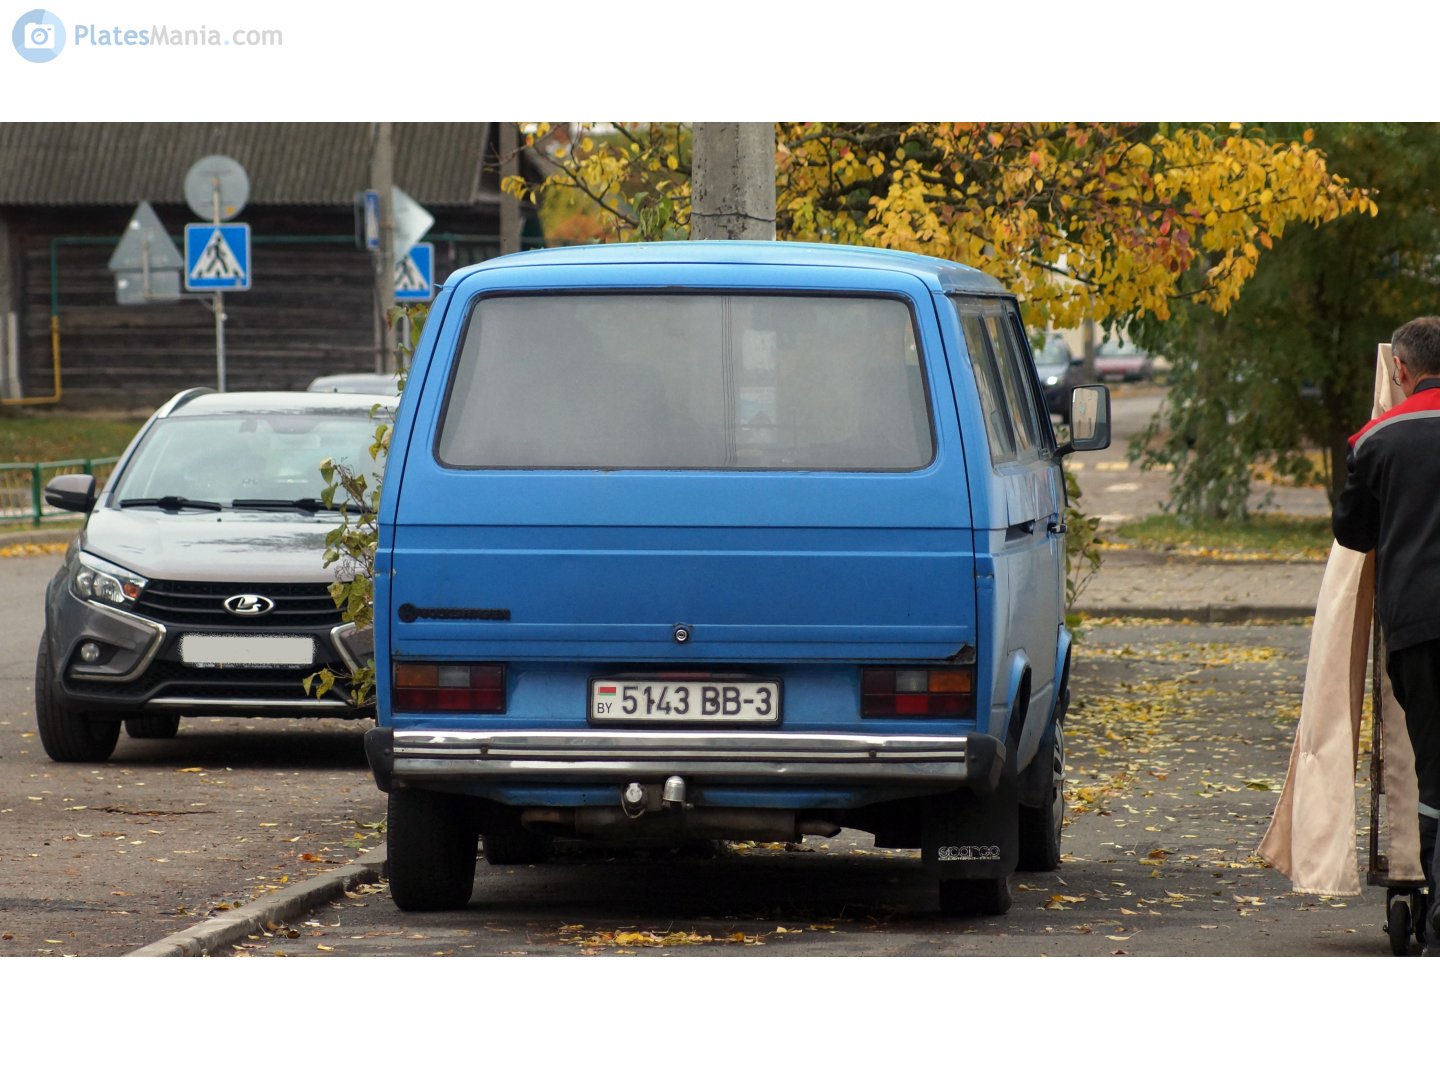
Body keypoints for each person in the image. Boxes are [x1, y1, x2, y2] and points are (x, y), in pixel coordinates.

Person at [1333, 316, 1440, 950]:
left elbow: (1353, 534)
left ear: (1399, 370)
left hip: (1418, 628)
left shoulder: (1375, 439)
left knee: (1434, 766)